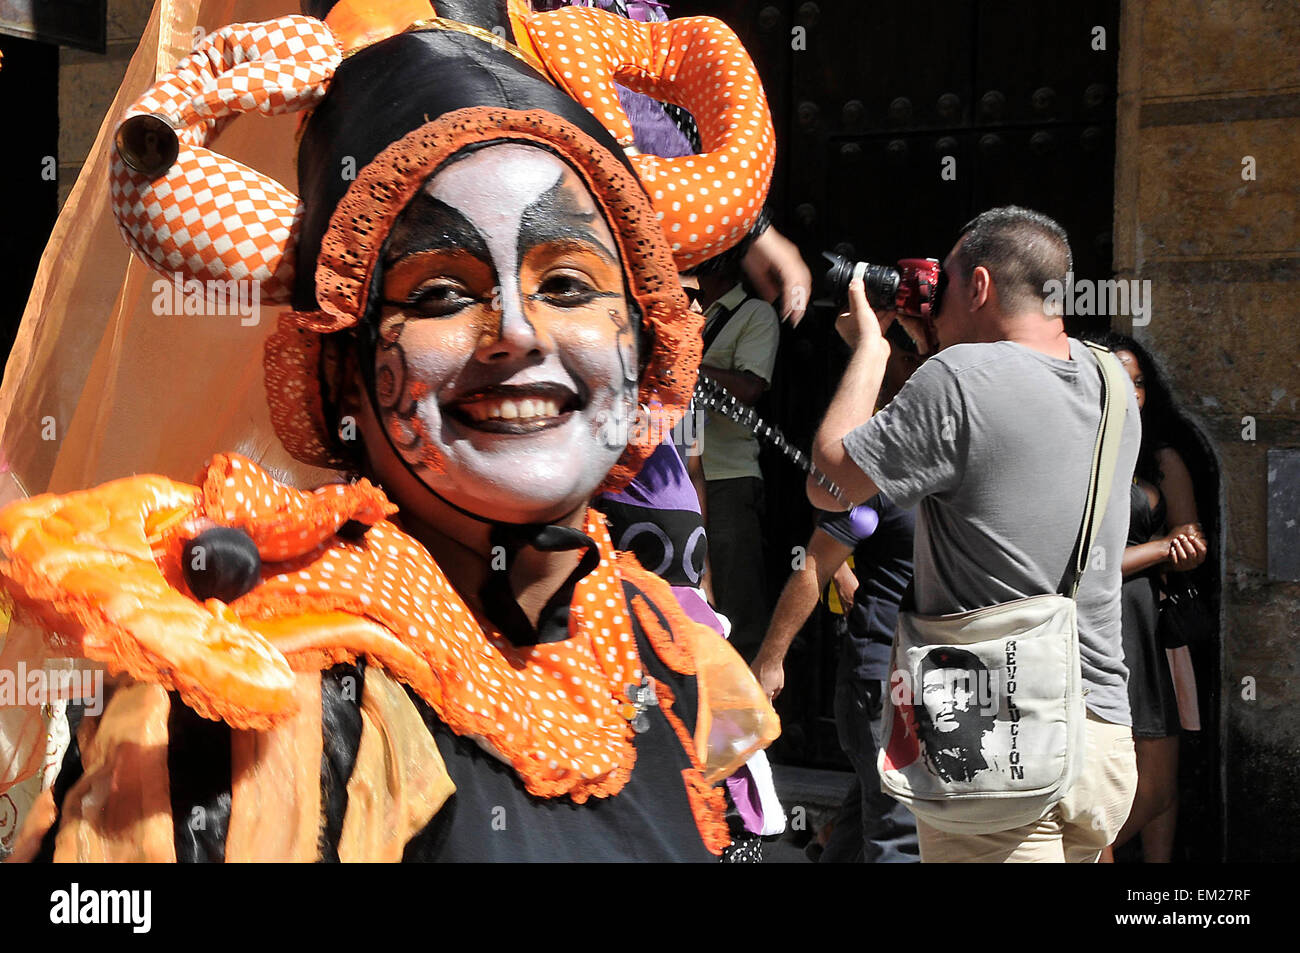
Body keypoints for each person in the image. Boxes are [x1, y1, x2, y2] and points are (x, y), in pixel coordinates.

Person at [0, 0, 779, 862]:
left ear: (649, 338)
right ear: (339, 372)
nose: (517, 331)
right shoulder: (270, 694)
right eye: (440, 292)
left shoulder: (661, 653)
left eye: (567, 282)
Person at [806, 206, 1142, 863]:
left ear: (980, 286)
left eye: (948, 288)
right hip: (1100, 733)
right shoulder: (1112, 383)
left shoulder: (955, 382)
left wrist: (874, 347)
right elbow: (1001, 429)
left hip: (996, 741)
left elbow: (830, 479)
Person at [1086, 331, 1206, 863]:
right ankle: (1082, 853)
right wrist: (1162, 550)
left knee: (1160, 781)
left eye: (1139, 382)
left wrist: (1184, 549)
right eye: (1120, 380)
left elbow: (1193, 541)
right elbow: (1091, 566)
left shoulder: (1162, 459)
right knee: (1121, 780)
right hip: (1099, 626)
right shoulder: (1078, 455)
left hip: (1153, 628)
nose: (1133, 392)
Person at [752, 492, 920, 863]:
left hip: (928, 681)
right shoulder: (882, 480)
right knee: (901, 835)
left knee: (866, 823)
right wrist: (771, 659)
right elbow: (814, 566)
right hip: (883, 684)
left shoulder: (961, 476)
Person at [696, 266, 781, 660]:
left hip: (728, 477)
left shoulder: (755, 313)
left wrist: (684, 363)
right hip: (678, 479)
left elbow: (749, 387)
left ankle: (753, 714)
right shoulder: (690, 309)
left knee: (736, 606)